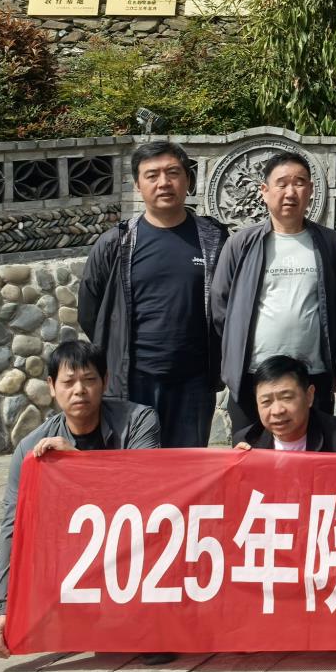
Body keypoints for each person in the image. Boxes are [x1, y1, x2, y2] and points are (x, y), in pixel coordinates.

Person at [0, 342, 160, 657]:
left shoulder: (139, 420)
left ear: (105, 381)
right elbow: (13, 527)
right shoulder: (30, 449)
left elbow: (145, 490)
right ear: (52, 386)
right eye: (68, 382)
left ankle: (150, 621)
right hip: (71, 552)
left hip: (133, 545)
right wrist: (5, 610)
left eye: (89, 380)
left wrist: (77, 463)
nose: (79, 390)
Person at [80, 140, 228, 448]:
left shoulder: (214, 239)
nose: (164, 182)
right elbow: (91, 311)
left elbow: (228, 303)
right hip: (133, 380)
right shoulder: (116, 243)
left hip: (194, 382)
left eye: (173, 173)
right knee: (135, 466)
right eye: (152, 175)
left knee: (187, 466)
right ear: (137, 184)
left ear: (188, 179)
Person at [209, 151, 336, 443]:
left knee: (314, 455)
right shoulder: (241, 243)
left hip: (313, 374)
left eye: (299, 183)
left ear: (310, 189)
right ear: (264, 190)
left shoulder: (330, 243)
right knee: (250, 454)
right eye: (282, 183)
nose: (290, 192)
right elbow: (221, 307)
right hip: (253, 374)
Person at [232, 356, 336, 453]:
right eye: (266, 401)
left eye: (286, 398)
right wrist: (236, 467)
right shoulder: (246, 441)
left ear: (309, 396)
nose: (277, 411)